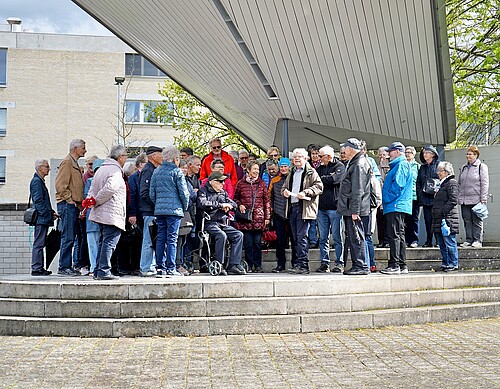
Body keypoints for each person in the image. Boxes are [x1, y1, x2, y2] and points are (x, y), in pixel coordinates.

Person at [87, 145, 128, 280]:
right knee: (110, 241)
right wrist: (97, 200)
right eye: (125, 156)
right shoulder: (115, 171)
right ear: (120, 157)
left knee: (103, 241)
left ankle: (99, 270)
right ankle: (104, 270)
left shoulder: (101, 169)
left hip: (101, 212)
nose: (126, 158)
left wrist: (91, 201)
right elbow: (110, 188)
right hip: (111, 212)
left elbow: (92, 189)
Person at [149, 146, 190, 277]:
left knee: (161, 237)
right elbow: (184, 193)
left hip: (160, 210)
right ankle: (171, 268)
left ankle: (159, 268)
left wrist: (158, 204)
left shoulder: (156, 171)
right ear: (175, 159)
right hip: (174, 210)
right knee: (172, 238)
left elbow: (152, 194)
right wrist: (184, 206)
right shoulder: (177, 172)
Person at [282, 148, 323, 274]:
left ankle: (303, 265)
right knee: (295, 237)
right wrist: (284, 191)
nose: (297, 159)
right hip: (293, 207)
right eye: (295, 157)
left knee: (302, 237)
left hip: (304, 207)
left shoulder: (311, 172)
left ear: (305, 158)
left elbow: (319, 187)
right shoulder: (292, 172)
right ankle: (298, 264)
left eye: (300, 156)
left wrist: (305, 192)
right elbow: (284, 186)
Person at [197, 171, 246, 275]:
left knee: (238, 235)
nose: (223, 184)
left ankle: (233, 264)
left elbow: (232, 203)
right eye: (220, 181)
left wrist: (230, 205)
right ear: (212, 182)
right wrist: (220, 205)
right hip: (209, 222)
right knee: (221, 235)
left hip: (222, 223)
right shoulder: (203, 191)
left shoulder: (223, 192)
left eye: (223, 181)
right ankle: (220, 263)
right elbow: (202, 203)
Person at [337, 138, 371, 275]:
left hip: (355, 208)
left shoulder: (358, 164)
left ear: (350, 149)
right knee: (353, 236)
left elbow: (358, 189)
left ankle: (361, 265)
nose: (343, 151)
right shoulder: (356, 162)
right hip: (351, 207)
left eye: (344, 148)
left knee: (356, 236)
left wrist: (355, 210)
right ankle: (359, 264)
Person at [379, 142, 413, 275]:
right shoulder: (399, 165)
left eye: (391, 151)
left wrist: (386, 199)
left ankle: (395, 265)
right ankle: (402, 264)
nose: (389, 154)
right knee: (399, 235)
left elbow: (398, 185)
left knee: (394, 235)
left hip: (395, 204)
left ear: (398, 152)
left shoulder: (401, 164)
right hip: (397, 204)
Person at [55, 139, 87, 276]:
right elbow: (60, 185)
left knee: (71, 237)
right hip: (68, 205)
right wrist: (69, 200)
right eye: (83, 148)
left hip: (73, 206)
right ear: (75, 148)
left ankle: (67, 265)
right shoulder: (67, 163)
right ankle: (64, 267)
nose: (85, 151)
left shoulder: (73, 164)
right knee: (67, 237)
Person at [234, 160, 270, 273]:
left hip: (259, 217)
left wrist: (267, 217)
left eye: (257, 169)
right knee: (248, 243)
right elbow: (235, 198)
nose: (256, 171)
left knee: (257, 243)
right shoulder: (240, 183)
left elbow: (266, 201)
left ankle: (258, 265)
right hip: (245, 218)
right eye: (254, 169)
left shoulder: (262, 183)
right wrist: (240, 205)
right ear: (248, 170)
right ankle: (249, 265)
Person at [315, 145, 345, 273]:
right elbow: (315, 181)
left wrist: (325, 179)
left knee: (337, 236)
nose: (319, 158)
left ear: (328, 156)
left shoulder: (339, 166)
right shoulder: (319, 168)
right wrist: (326, 179)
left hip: (335, 207)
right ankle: (324, 262)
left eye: (321, 156)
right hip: (321, 207)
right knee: (323, 237)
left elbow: (335, 179)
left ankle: (340, 262)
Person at [30, 159, 58, 276]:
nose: (49, 169)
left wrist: (51, 213)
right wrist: (46, 214)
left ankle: (39, 267)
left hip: (43, 217)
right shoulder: (37, 181)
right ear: (40, 168)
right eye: (47, 167)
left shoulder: (39, 181)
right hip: (41, 218)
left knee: (40, 243)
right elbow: (39, 201)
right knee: (39, 243)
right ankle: (37, 268)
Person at [268, 158, 297, 272]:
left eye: (286, 166)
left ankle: (295, 263)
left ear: (289, 167)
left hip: (292, 213)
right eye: (282, 166)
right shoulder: (274, 180)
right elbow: (269, 196)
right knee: (280, 241)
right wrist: (271, 210)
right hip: (278, 214)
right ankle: (280, 264)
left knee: (294, 240)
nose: (284, 168)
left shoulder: (294, 178)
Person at [139, 145, 164, 277]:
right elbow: (144, 192)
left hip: (154, 211)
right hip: (149, 211)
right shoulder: (148, 170)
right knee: (148, 240)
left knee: (153, 239)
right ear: (153, 156)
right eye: (161, 154)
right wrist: (157, 203)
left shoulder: (155, 169)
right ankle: (145, 266)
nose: (163, 157)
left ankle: (151, 265)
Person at [458, 146, 489, 248]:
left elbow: (485, 183)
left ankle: (477, 240)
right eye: (467, 154)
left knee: (477, 221)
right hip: (464, 200)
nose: (468, 156)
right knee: (467, 220)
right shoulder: (463, 167)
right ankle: (469, 239)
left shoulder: (481, 166)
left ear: (476, 155)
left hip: (476, 199)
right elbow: (459, 183)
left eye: (470, 154)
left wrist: (483, 198)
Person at [432, 161, 459, 271]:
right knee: (442, 243)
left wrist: (443, 211)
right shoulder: (441, 184)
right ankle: (446, 263)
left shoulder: (451, 183)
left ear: (447, 172)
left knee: (449, 242)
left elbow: (453, 200)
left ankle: (453, 263)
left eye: (441, 171)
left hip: (448, 218)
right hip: (439, 218)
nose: (438, 173)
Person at [416, 145, 440, 247]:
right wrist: (420, 195)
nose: (425, 154)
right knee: (428, 220)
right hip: (425, 198)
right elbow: (419, 182)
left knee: (438, 220)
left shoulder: (439, 165)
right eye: (424, 153)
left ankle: (439, 241)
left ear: (433, 154)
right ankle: (429, 241)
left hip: (436, 198)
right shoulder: (422, 167)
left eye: (427, 152)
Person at [84, 159, 104, 276]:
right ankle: (96, 267)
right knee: (98, 243)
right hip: (97, 217)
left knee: (94, 244)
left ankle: (94, 267)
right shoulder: (90, 181)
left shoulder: (90, 181)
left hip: (93, 218)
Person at [404, 146, 420, 248]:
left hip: (414, 196)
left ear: (414, 154)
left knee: (414, 219)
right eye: (406, 152)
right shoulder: (403, 165)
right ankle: (406, 239)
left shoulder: (417, 166)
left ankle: (414, 239)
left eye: (409, 152)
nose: (407, 154)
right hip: (404, 196)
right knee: (405, 220)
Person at [376, 146, 390, 248]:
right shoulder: (376, 167)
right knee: (379, 220)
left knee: (388, 221)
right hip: (378, 198)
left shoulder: (390, 168)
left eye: (383, 154)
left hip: (388, 198)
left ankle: (387, 240)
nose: (382, 157)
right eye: (380, 155)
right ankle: (381, 240)